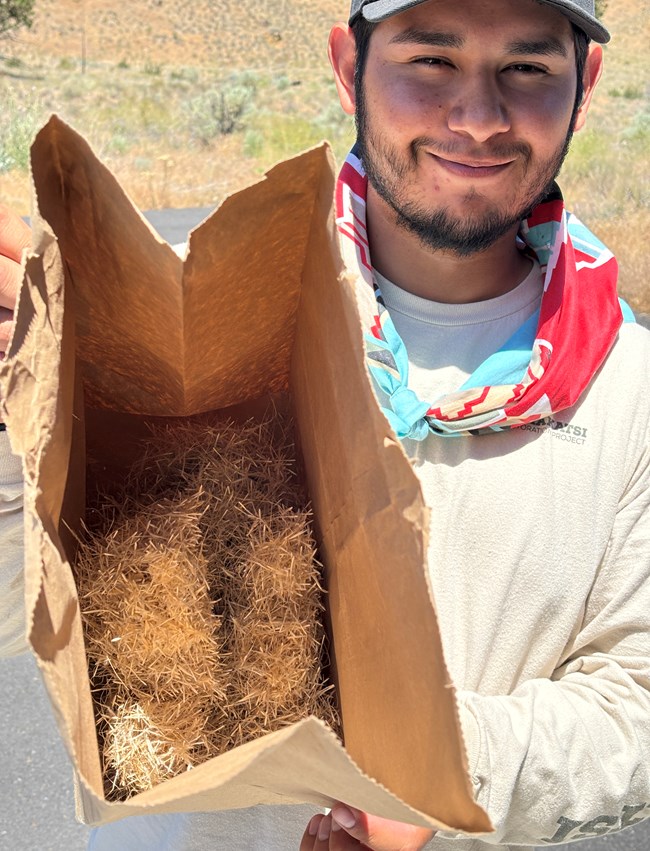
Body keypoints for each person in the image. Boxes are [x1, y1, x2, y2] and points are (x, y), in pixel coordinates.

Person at [1, 0, 649, 849]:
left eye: (527, 68)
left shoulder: (627, 388)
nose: (478, 117)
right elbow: (29, 614)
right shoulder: (189, 311)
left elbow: (634, 705)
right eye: (431, 60)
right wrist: (28, 403)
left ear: (586, 84)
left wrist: (447, 767)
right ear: (350, 66)